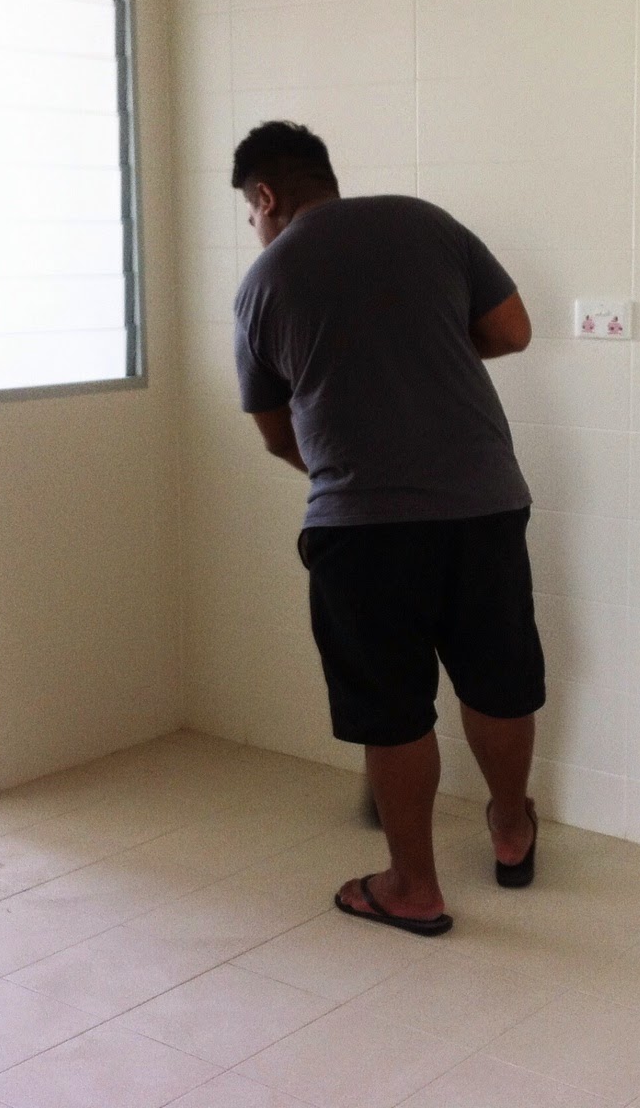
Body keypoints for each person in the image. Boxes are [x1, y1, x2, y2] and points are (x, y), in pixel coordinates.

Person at [231, 121, 546, 936]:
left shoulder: (264, 281)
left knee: (392, 710)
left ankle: (413, 887)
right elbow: (512, 330)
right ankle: (512, 830)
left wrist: (351, 456)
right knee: (498, 679)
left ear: (265, 195)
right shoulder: (424, 222)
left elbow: (275, 433)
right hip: (483, 502)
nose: (254, 226)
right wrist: (428, 352)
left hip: (362, 527)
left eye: (250, 212)